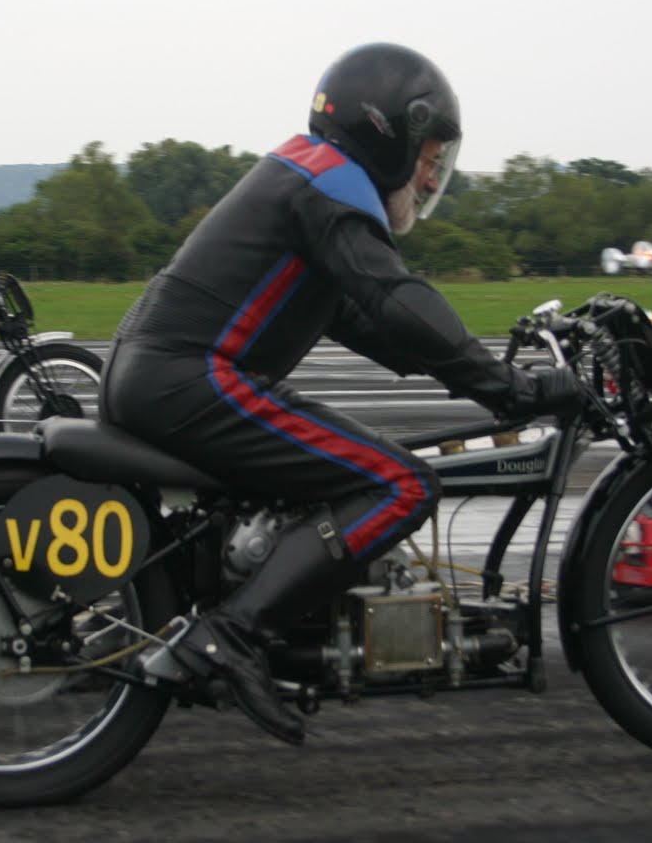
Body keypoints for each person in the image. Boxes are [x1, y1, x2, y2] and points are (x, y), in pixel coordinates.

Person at [102, 43, 584, 745]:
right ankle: (230, 634)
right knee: (402, 482)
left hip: (163, 376)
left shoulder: (305, 173)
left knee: (355, 474)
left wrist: (472, 370)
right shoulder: (332, 185)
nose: (430, 174)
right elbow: (396, 298)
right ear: (387, 131)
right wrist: (510, 389)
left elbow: (375, 321)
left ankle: (241, 620)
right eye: (428, 153)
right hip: (192, 380)